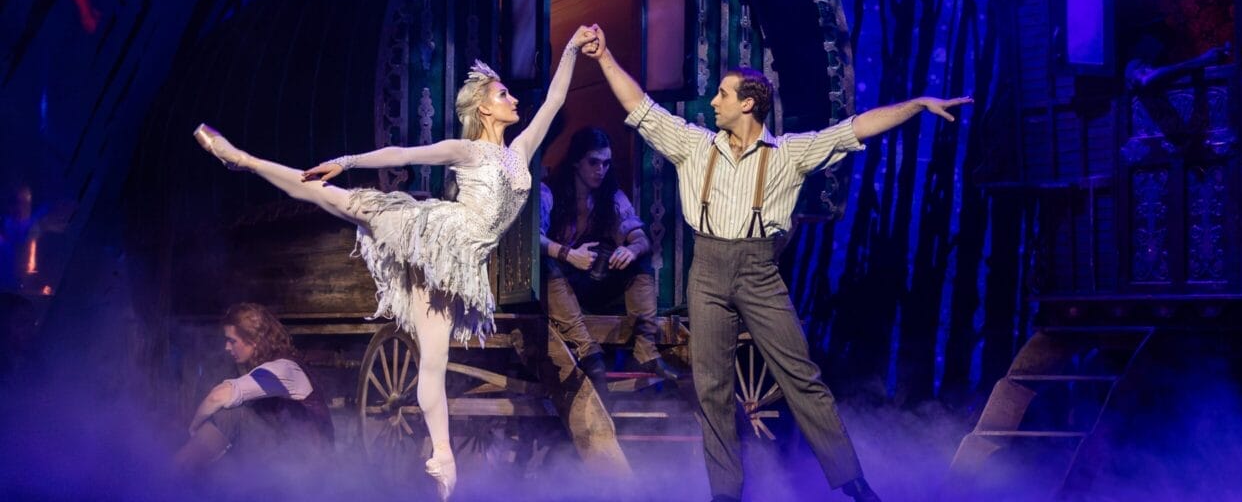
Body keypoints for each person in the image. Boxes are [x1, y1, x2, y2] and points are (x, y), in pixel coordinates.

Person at [193, 26, 599, 500]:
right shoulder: (468, 150)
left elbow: (554, 99)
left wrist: (572, 47)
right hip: (430, 233)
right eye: (503, 93)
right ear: (485, 108)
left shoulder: (521, 151)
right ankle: (242, 159)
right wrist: (346, 160)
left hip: (460, 264)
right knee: (339, 200)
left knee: (434, 362)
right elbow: (403, 152)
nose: (513, 99)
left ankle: (443, 462)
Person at [583, 25, 971, 502]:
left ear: (748, 103)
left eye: (723, 95)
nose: (714, 102)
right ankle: (725, 494)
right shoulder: (694, 144)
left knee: (802, 377)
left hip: (759, 271)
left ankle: (854, 482)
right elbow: (638, 105)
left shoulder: (789, 153)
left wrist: (916, 105)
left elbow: (856, 127)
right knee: (712, 388)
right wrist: (604, 58)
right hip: (706, 270)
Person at [539, 127, 678, 392]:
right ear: (577, 161)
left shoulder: (611, 196)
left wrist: (631, 250)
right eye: (593, 162)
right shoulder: (550, 192)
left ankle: (646, 350)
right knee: (546, 265)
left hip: (594, 283)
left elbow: (641, 238)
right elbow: (535, 239)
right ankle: (588, 351)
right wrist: (569, 254)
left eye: (605, 163)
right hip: (562, 285)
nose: (600, 170)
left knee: (640, 261)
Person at [175, 303, 334, 475]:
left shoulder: (284, 369)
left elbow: (218, 397)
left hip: (309, 465)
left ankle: (173, 474)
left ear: (254, 340)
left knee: (231, 414)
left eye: (232, 341)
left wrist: (192, 429)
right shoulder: (267, 370)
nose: (227, 347)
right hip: (286, 455)